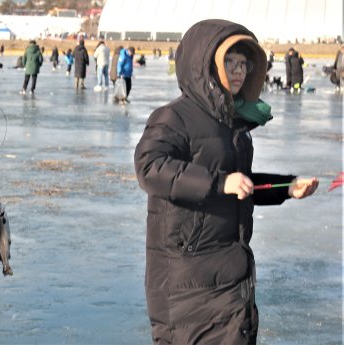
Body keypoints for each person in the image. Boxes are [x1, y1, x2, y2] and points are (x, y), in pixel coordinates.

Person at [134, 19, 319, 345]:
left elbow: (240, 184)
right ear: (205, 65)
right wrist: (219, 183)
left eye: (244, 64)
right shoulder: (174, 117)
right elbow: (150, 167)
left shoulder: (233, 128)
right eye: (229, 62)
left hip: (231, 278)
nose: (238, 71)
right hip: (188, 281)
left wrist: (286, 187)